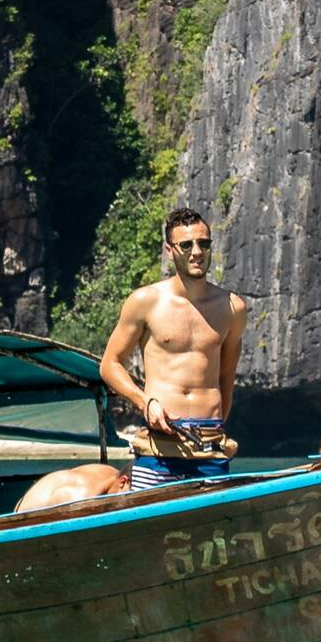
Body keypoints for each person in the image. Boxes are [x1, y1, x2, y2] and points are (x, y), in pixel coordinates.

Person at [99, 203, 247, 482]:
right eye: (187, 245)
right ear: (169, 250)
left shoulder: (232, 308)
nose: (197, 252)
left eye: (204, 243)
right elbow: (110, 365)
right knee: (148, 523)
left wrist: (215, 426)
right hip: (159, 448)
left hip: (211, 448)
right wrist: (145, 402)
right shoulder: (145, 302)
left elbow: (226, 376)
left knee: (213, 526)